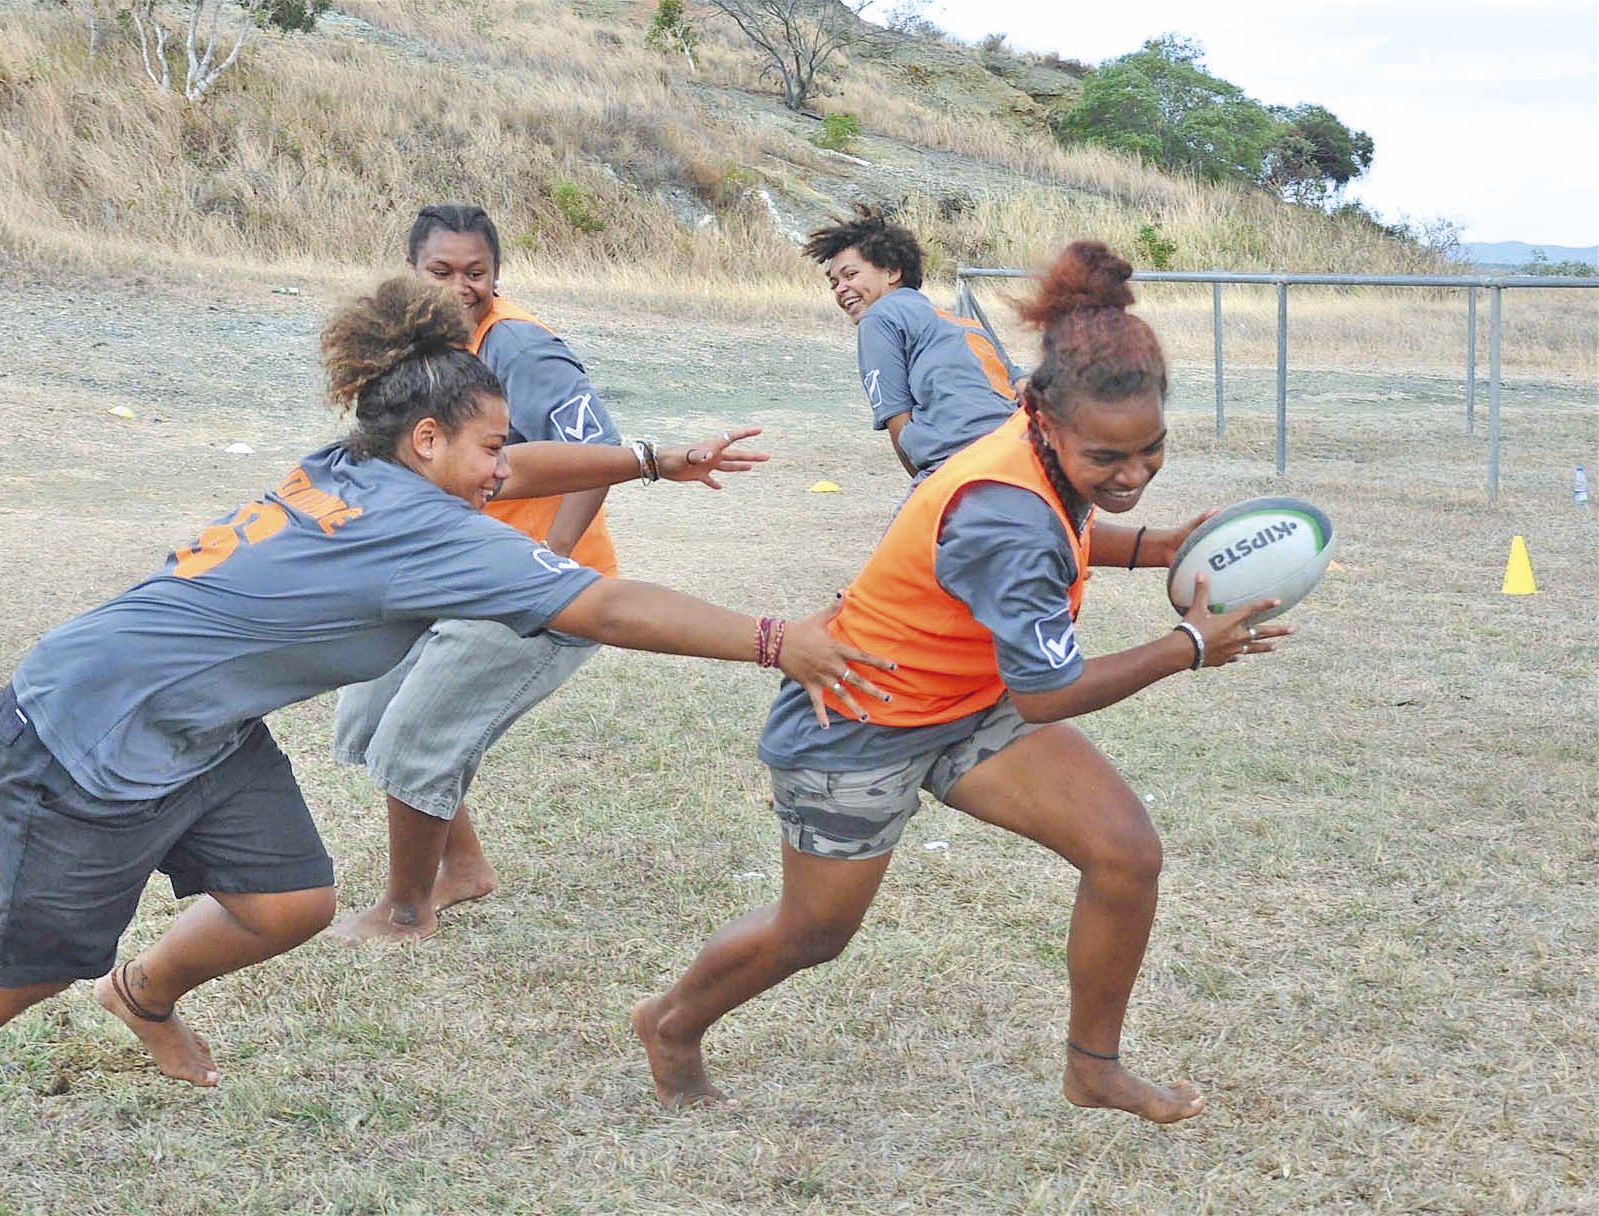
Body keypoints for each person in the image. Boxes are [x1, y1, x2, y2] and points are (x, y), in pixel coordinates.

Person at [0, 276, 892, 1177]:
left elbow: (525, 466)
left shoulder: (360, 461)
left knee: (287, 901)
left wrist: (647, 460)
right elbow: (601, 605)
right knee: (27, 964)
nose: (503, 472)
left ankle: (140, 992)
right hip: (90, 726)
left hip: (197, 725)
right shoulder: (427, 529)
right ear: (428, 437)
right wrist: (770, 637)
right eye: (488, 450)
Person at [633, 242, 1295, 1124]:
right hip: (858, 714)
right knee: (814, 932)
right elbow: (1046, 693)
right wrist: (1187, 645)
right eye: (1110, 458)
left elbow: (1062, 526)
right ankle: (670, 1024)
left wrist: (1156, 544)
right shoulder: (1006, 509)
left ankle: (1091, 1068)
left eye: (1152, 448)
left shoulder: (1035, 449)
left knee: (1123, 854)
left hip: (962, 702)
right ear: (1044, 420)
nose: (1132, 474)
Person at [327, 204, 629, 943]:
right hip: (449, 578)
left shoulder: (521, 347)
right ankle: (462, 868)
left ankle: (406, 911)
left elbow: (604, 450)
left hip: (532, 592)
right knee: (367, 725)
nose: (461, 286)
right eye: (441, 272)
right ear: (412, 273)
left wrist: (551, 563)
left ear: (496, 275)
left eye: (476, 272)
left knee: (413, 743)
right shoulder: (417, 348)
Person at [802, 204, 1018, 480]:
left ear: (892, 272)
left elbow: (899, 424)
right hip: (1019, 455)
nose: (841, 288)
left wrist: (929, 492)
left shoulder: (878, 318)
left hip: (963, 468)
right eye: (833, 283)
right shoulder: (962, 325)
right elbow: (1019, 383)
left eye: (850, 275)